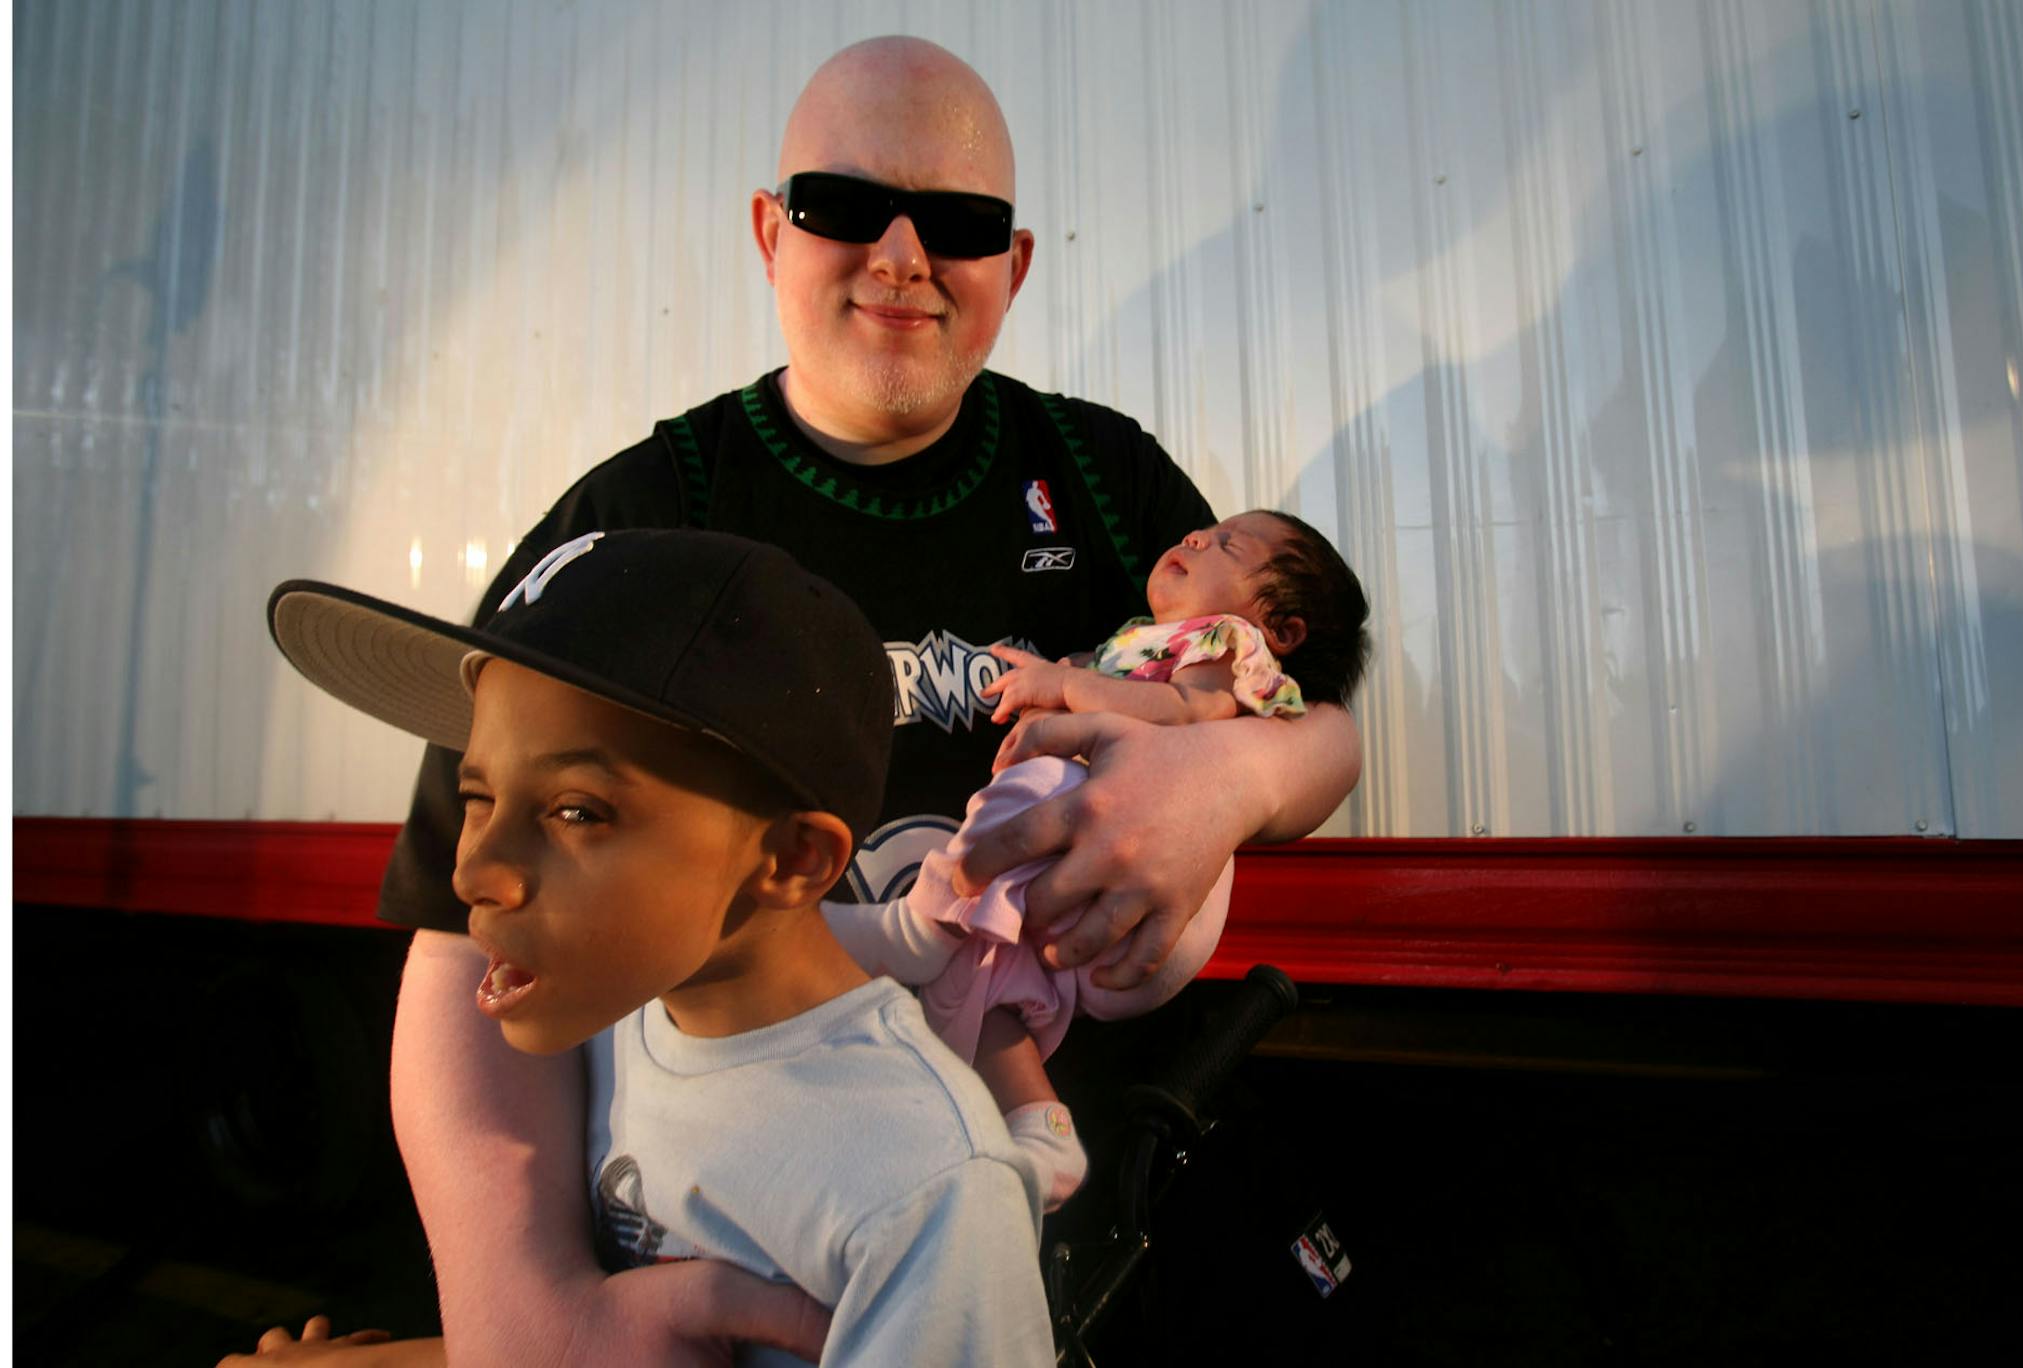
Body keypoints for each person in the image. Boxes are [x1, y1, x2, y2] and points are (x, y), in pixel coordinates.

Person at [377, 35, 1362, 1363]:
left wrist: (1233, 778)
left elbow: (1316, 731)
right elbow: (462, 919)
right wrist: (521, 1313)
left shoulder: (1105, 481)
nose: (902, 256)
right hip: (740, 1228)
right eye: (846, 207)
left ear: (1009, 268)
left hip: (1073, 1226)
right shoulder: (646, 516)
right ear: (770, 234)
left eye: (954, 223)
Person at [250, 528, 1054, 1367]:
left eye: (575, 812)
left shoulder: (923, 1192)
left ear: (791, 860)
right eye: (477, 795)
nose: (474, 870)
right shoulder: (628, 1014)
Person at [824, 509, 1371, 1208]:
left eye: (1228, 544)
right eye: (1202, 532)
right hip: (1098, 906)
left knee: (1035, 789)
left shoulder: (1225, 643)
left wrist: (1065, 688)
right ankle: (1040, 1128)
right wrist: (1060, 670)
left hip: (1152, 891)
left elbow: (1189, 709)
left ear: (1281, 628)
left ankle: (916, 927)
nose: (1196, 535)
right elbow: (1118, 680)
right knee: (988, 978)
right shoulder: (1143, 641)